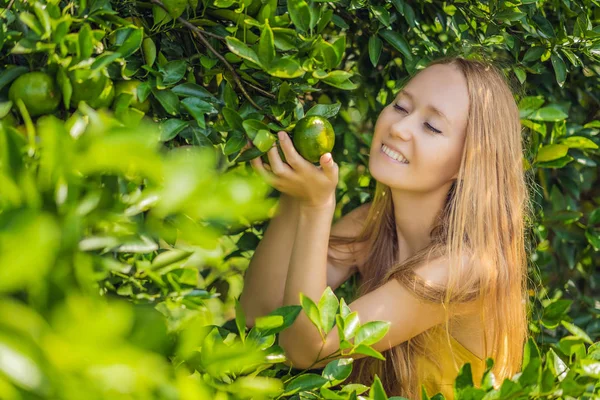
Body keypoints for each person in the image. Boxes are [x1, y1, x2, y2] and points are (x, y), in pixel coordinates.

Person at [239, 55, 536, 399]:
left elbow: (310, 348)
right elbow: (259, 313)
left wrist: (316, 205)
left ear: (468, 163)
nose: (400, 127)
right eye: (401, 106)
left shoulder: (467, 267)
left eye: (432, 127)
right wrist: (296, 187)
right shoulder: (371, 225)